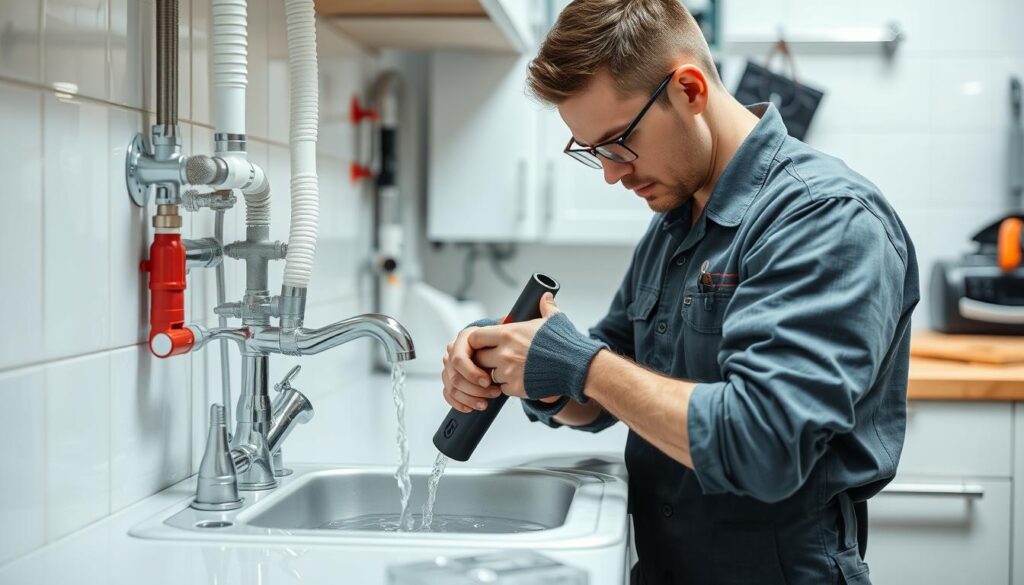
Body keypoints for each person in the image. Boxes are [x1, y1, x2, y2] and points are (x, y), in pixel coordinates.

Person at [440, 1, 920, 583]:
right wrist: (529, 365)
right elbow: (605, 394)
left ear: (689, 89)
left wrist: (578, 363)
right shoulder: (676, 219)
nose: (613, 174)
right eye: (593, 152)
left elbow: (763, 445)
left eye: (618, 142)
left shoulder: (825, 219)